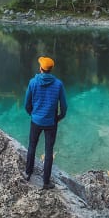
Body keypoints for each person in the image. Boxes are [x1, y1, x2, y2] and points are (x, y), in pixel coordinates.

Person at [24, 55, 67, 189]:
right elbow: (64, 106)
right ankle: (46, 182)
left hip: (36, 121)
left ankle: (27, 173)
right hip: (51, 122)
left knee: (32, 146)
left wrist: (33, 114)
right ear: (51, 69)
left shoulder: (33, 82)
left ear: (41, 68)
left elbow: (27, 104)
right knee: (49, 151)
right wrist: (59, 117)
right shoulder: (58, 84)